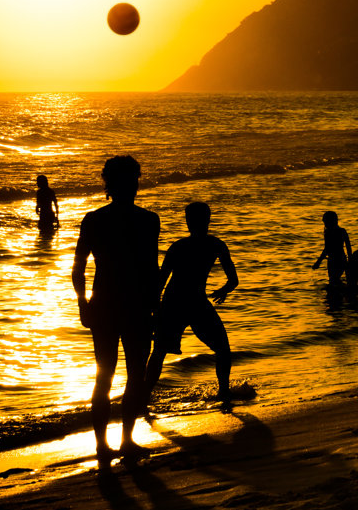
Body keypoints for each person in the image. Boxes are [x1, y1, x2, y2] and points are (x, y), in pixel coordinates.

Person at [71, 155, 160, 464]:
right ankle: (124, 441)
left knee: (105, 375)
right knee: (134, 375)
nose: (134, 185)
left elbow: (79, 268)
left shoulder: (94, 219)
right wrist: (156, 305)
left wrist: (83, 303)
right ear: (130, 183)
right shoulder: (148, 220)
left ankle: (104, 446)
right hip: (134, 305)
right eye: (133, 180)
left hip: (107, 304)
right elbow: (152, 269)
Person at [145, 202, 239, 404]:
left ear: (188, 222)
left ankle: (142, 397)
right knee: (223, 349)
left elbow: (160, 282)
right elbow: (234, 280)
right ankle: (224, 392)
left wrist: (154, 310)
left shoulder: (178, 247)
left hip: (174, 302)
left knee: (159, 352)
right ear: (208, 220)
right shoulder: (216, 244)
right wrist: (222, 291)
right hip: (195, 302)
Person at [312, 210, 352, 289]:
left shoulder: (334, 232)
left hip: (337, 260)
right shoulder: (339, 231)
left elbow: (327, 249)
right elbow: (348, 247)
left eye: (325, 222)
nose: (325, 224)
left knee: (333, 282)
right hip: (335, 260)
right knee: (334, 282)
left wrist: (318, 261)